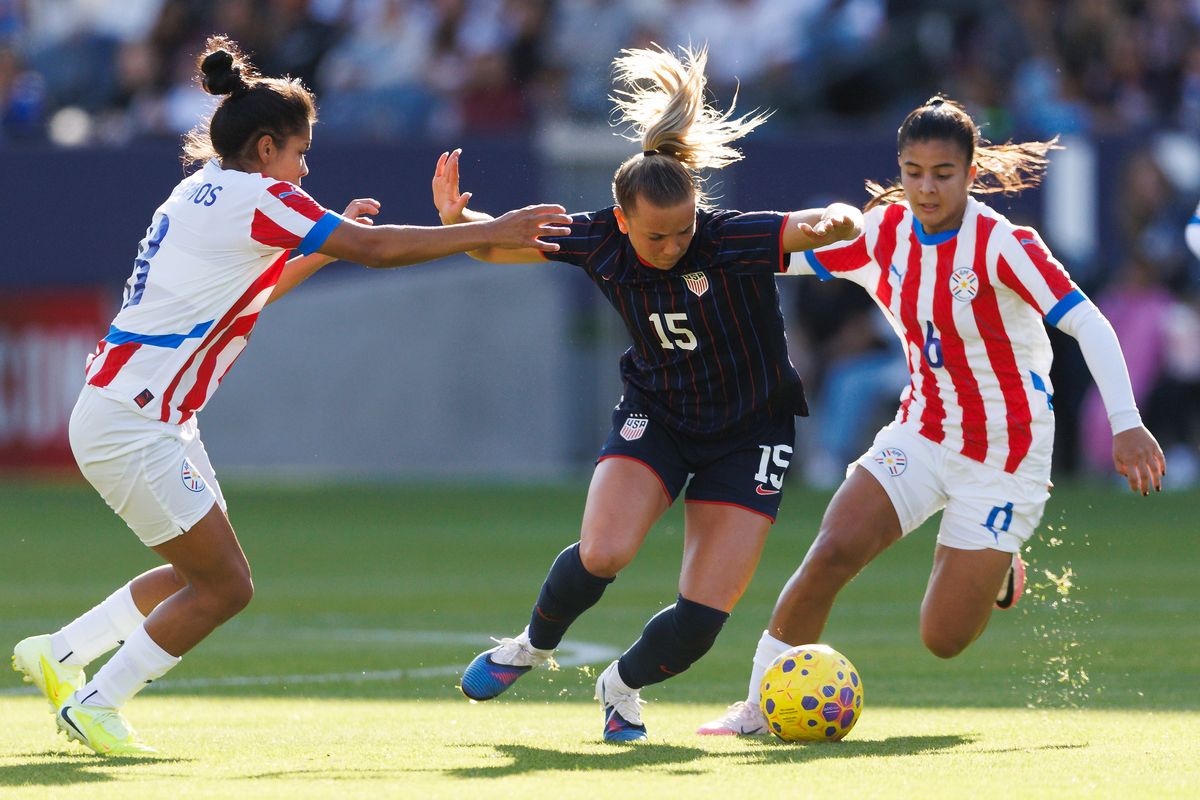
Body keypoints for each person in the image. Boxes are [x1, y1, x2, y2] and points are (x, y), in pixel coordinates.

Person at [10, 35, 570, 757]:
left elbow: (256, 291)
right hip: (138, 420)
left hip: (134, 410)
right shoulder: (261, 197)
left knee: (200, 572)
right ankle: (96, 701)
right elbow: (375, 252)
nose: (306, 169)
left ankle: (61, 652)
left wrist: (323, 244)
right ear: (267, 146)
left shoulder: (199, 191)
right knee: (225, 587)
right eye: (301, 153)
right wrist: (491, 229)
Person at [697, 96, 1167, 737]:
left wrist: (1126, 420)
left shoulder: (1005, 244)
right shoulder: (884, 234)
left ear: (971, 173)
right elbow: (787, 252)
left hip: (1005, 455)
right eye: (914, 171)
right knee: (831, 550)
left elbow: (1088, 321)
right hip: (921, 431)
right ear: (900, 168)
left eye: (943, 173)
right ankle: (755, 705)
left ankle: (998, 568)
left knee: (942, 638)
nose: (926, 186)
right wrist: (700, 249)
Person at [431, 43, 862, 742]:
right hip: (658, 415)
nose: (673, 246)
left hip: (752, 429)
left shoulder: (728, 239)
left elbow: (805, 227)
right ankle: (530, 647)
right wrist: (460, 223)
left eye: (684, 230)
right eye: (657, 236)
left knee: (702, 619)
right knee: (603, 552)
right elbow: (491, 248)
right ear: (621, 217)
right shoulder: (596, 239)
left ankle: (621, 688)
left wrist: (841, 218)